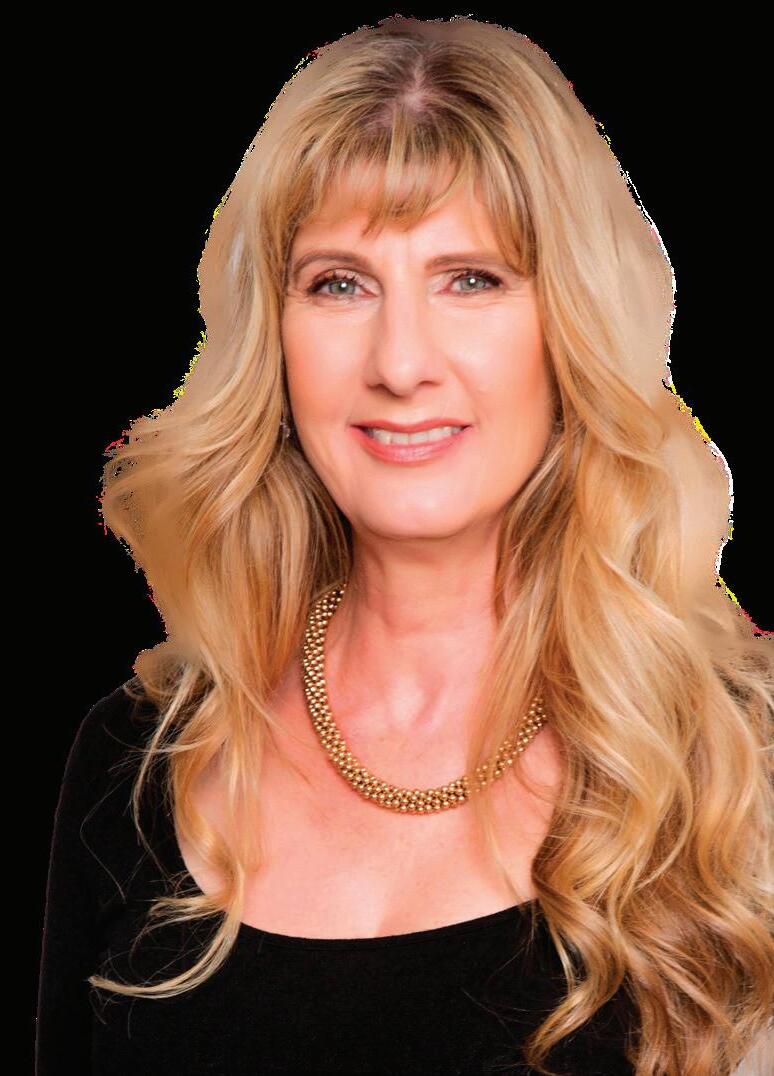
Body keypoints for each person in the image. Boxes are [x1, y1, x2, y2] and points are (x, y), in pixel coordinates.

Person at [36, 15, 773, 1076]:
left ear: (567, 325)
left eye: (471, 278)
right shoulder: (134, 758)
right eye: (339, 282)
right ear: (274, 336)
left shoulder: (742, 761)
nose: (400, 361)